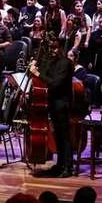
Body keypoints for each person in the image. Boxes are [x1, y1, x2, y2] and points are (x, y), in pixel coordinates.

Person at [28, 36, 75, 177]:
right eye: (50, 48)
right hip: (53, 103)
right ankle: (60, 164)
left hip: (62, 104)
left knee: (64, 136)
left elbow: (55, 84)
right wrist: (36, 63)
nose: (52, 50)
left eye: (55, 48)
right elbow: (43, 71)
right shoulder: (52, 62)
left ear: (61, 48)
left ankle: (68, 167)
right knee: (58, 136)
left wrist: (38, 73)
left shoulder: (66, 64)